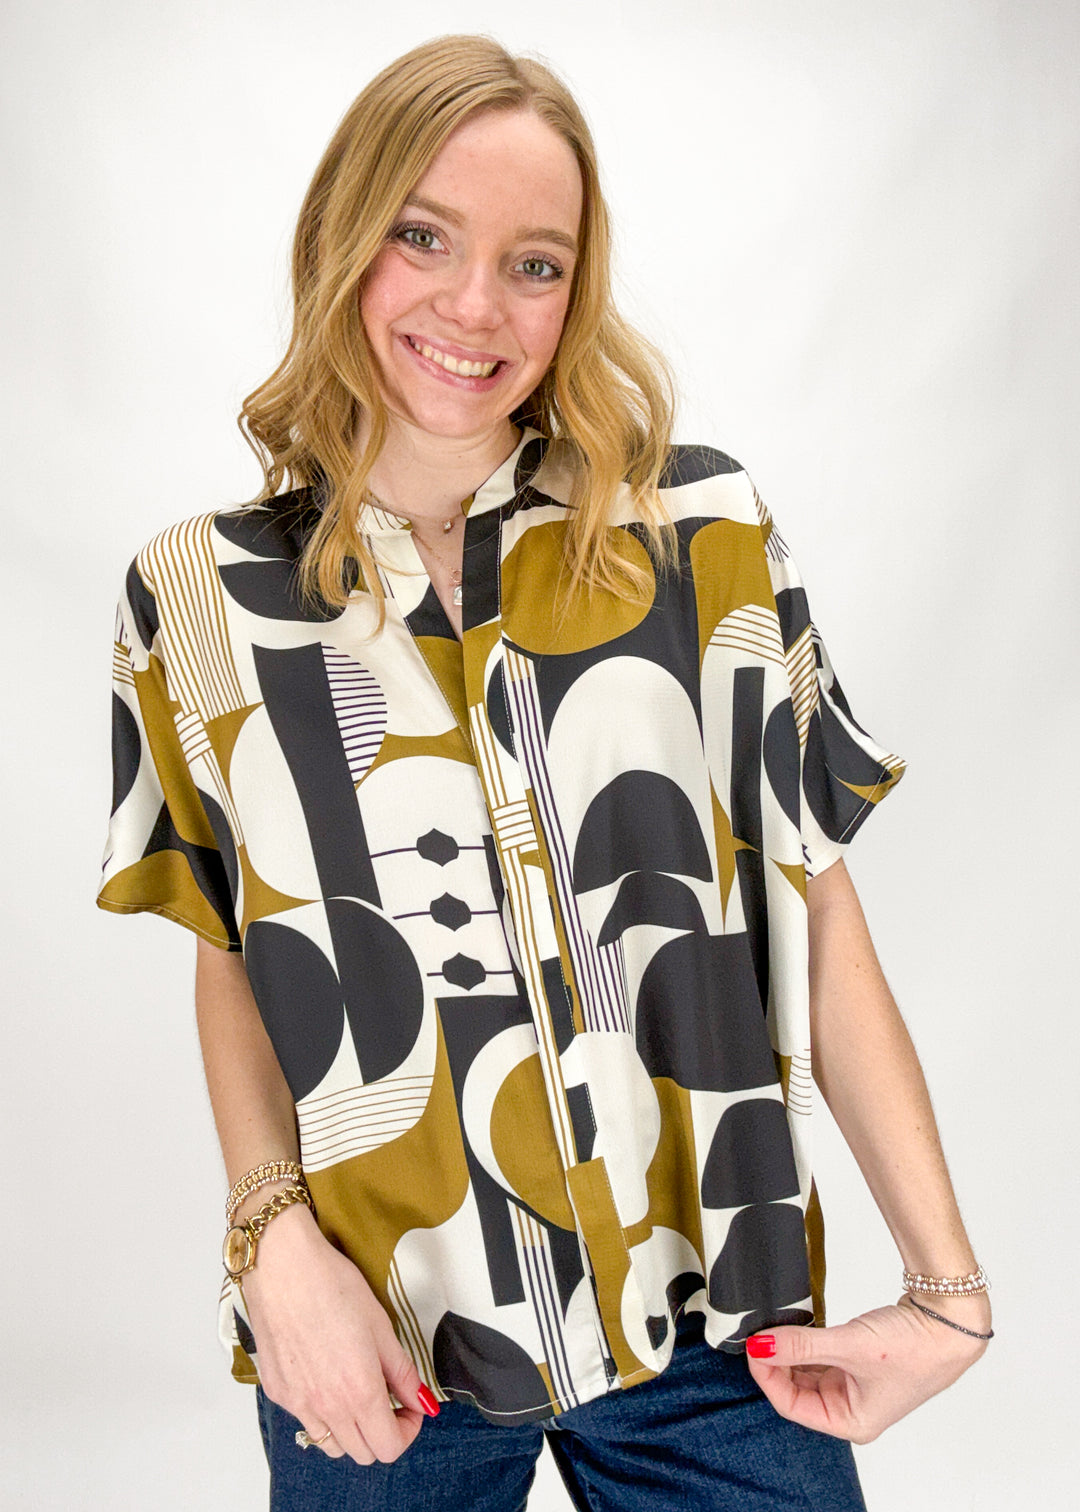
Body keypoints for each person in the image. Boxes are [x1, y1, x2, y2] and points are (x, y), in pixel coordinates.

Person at [96, 32, 992, 1511]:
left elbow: (819, 912)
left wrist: (945, 1286)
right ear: (341, 236)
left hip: (722, 1337)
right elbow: (238, 958)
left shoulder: (704, 537)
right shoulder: (197, 596)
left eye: (536, 262)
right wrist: (277, 1253)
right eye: (423, 235)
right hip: (379, 1344)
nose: (474, 305)